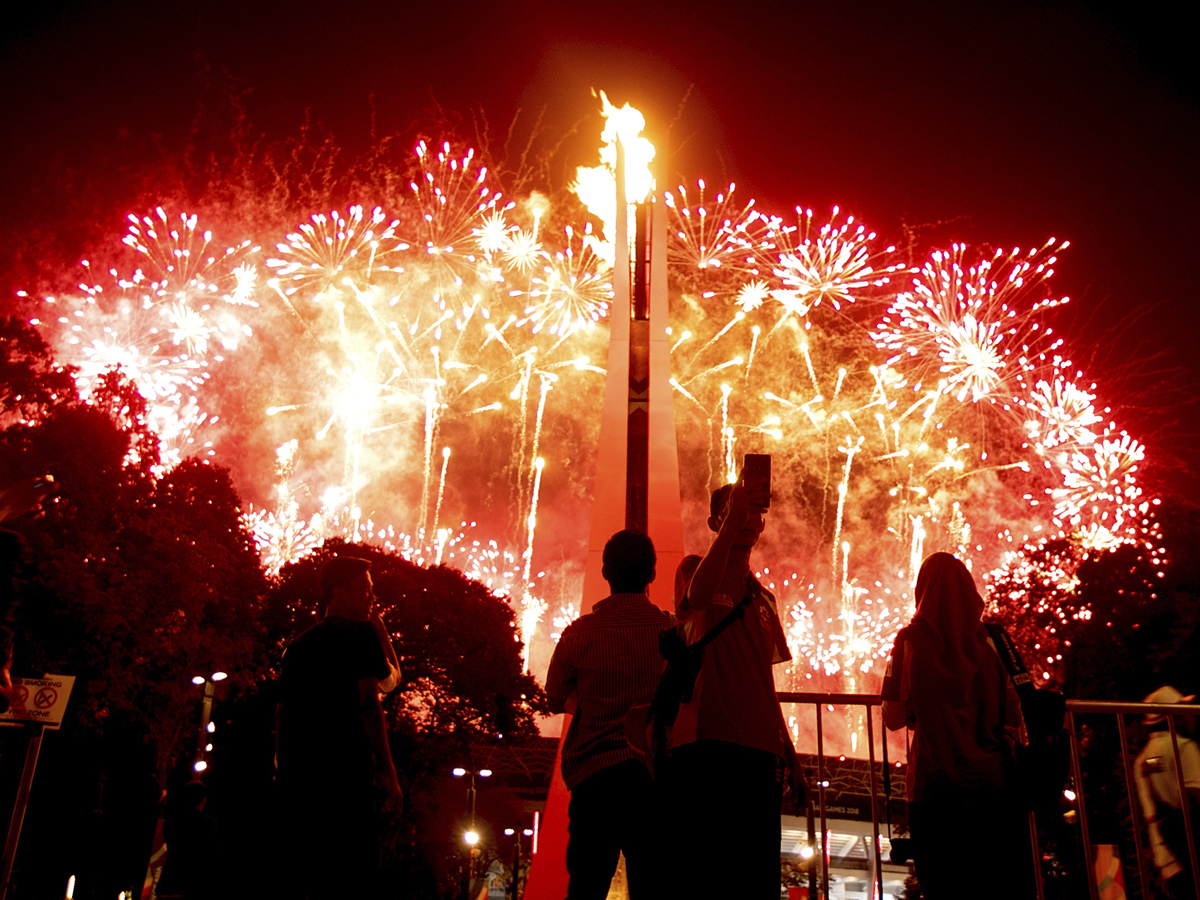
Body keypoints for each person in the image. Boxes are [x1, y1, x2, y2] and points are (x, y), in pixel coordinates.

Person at [669, 478, 794, 900]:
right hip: (708, 737)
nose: (747, 521)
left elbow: (766, 678)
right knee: (705, 868)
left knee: (758, 871)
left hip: (760, 747)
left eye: (754, 513)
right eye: (735, 511)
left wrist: (789, 750)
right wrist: (729, 527)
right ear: (714, 522)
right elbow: (696, 600)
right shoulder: (694, 570)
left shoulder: (765, 599)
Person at [882, 552, 1028, 900]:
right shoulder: (996, 641)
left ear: (922, 591)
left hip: (934, 787)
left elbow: (893, 718)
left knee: (943, 886)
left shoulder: (909, 642)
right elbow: (1016, 715)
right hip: (993, 786)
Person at [545, 529, 674, 900]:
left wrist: (587, 700)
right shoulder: (671, 633)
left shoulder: (578, 635)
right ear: (652, 574)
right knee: (652, 886)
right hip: (652, 780)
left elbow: (555, 698)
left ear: (605, 572)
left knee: (586, 886)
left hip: (594, 777)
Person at [275, 555, 403, 898]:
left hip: (298, 782)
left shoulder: (297, 647)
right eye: (364, 588)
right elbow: (374, 698)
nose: (371, 597)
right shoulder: (360, 634)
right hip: (346, 776)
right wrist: (389, 774)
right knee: (352, 874)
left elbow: (283, 714)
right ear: (339, 592)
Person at [1135, 685, 1200, 898]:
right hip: (1193, 854)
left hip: (1167, 858)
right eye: (1187, 710)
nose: (1194, 716)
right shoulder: (1183, 747)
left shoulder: (1141, 760)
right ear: (1175, 716)